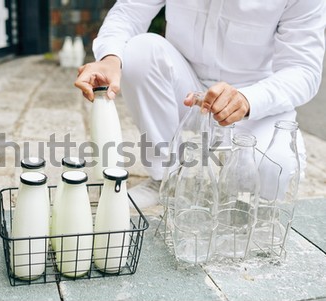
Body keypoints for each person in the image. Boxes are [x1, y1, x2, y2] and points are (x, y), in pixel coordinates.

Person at [74, 0, 326, 208]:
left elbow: (303, 69)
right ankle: (165, 179)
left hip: (253, 101)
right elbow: (129, 12)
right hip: (186, 90)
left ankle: (232, 179)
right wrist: (109, 58)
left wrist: (248, 99)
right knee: (140, 51)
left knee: (276, 170)